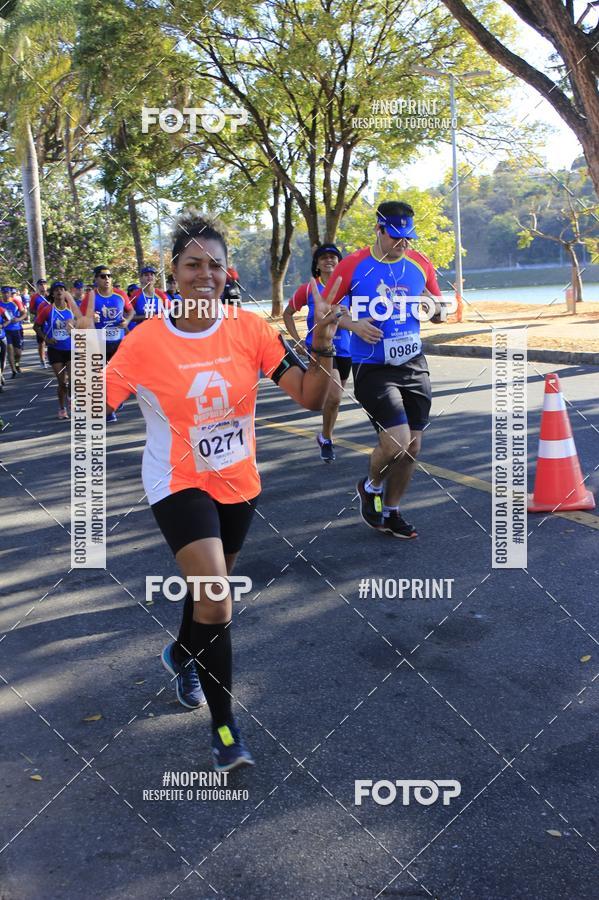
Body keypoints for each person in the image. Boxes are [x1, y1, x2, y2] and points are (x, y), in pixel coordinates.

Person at [104, 211, 341, 771]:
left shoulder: (249, 329)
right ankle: (226, 729)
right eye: (192, 264)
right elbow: (94, 408)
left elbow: (312, 397)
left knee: (209, 589)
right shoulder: (143, 342)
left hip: (238, 479)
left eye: (214, 264)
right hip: (176, 479)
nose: (204, 274)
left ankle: (181, 653)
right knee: (216, 595)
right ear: (174, 272)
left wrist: (326, 341)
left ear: (227, 271)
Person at [327, 200, 442, 538]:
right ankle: (371, 486)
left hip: (413, 363)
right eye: (395, 237)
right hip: (372, 367)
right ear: (378, 230)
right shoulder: (353, 265)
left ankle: (391, 511)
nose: (402, 244)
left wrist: (433, 308)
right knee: (397, 443)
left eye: (407, 237)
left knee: (414, 447)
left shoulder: (420, 264)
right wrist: (353, 325)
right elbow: (327, 308)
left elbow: (438, 308)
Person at [283, 244, 351, 462]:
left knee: (334, 401)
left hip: (345, 350)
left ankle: (325, 436)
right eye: (324, 258)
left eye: (333, 257)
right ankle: (328, 440)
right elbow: (288, 314)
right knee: (335, 396)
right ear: (317, 264)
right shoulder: (308, 289)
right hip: (320, 349)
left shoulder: (350, 287)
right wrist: (298, 340)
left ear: (340, 262)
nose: (329, 261)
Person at [80, 266, 134, 421]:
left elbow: (131, 311)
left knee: (121, 376)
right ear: (96, 279)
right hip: (98, 342)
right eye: (103, 276)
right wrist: (91, 318)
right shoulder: (90, 298)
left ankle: (116, 399)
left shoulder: (121, 295)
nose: (107, 279)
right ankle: (109, 411)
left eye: (109, 276)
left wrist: (127, 321)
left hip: (118, 342)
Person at [34, 281, 78, 419]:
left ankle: (71, 400)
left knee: (73, 379)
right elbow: (36, 326)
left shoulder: (72, 308)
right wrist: (46, 339)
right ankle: (61, 407)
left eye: (62, 289)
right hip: (55, 350)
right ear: (52, 293)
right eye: (57, 290)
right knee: (62, 382)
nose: (59, 292)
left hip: (71, 348)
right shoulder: (48, 309)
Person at [128, 265, 169, 330]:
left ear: (155, 278)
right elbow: (128, 316)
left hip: (159, 331)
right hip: (142, 332)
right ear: (141, 278)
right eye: (146, 275)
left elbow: (171, 312)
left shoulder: (161, 294)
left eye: (152, 274)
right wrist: (145, 317)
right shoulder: (136, 295)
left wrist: (159, 316)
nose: (149, 277)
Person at [1, 286, 27, 377]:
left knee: (18, 353)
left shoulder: (16, 302)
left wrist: (19, 319)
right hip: (5, 330)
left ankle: (17, 364)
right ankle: (13, 370)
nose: (5, 294)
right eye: (3, 293)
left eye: (7, 292)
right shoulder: (0, 304)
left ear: (10, 293)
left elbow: (24, 314)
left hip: (16, 329)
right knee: (10, 349)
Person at [29, 278, 49, 367]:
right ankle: (42, 360)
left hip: (49, 322)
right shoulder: (35, 297)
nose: (43, 286)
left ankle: (51, 358)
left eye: (44, 284)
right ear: (38, 286)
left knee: (51, 341)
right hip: (40, 322)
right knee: (41, 342)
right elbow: (31, 310)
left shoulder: (50, 296)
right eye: (41, 284)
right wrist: (38, 312)